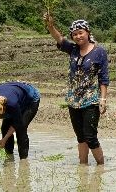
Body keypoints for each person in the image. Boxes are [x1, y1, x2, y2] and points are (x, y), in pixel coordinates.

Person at [44, 14, 109, 165]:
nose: (78, 36)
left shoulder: (99, 52)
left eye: (81, 32)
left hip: (91, 99)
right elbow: (59, 39)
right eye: (75, 34)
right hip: (73, 100)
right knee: (80, 137)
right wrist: (50, 25)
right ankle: (83, 167)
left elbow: (103, 78)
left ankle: (101, 167)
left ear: (87, 32)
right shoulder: (72, 49)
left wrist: (103, 99)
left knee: (91, 136)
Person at [0, 81, 41, 160]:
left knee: (21, 130)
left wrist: (4, 139)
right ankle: (9, 157)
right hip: (11, 94)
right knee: (5, 129)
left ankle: (23, 161)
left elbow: (17, 123)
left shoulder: (12, 104)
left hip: (30, 99)